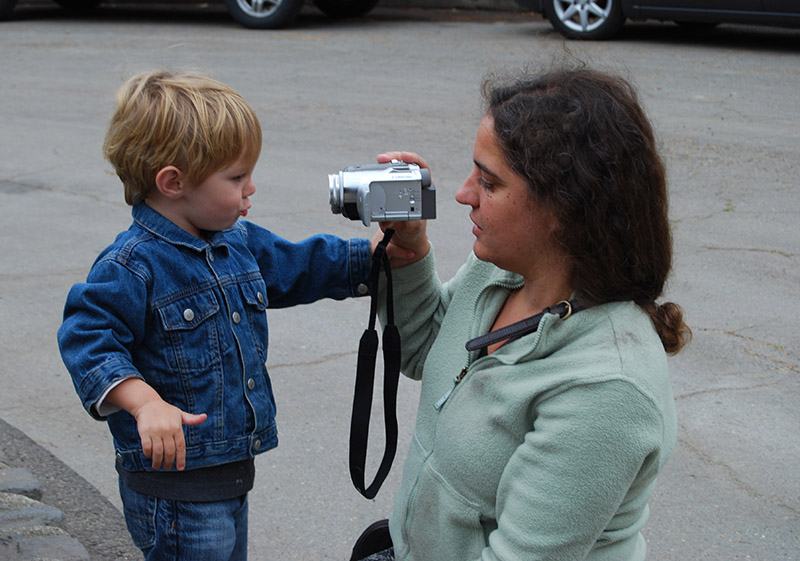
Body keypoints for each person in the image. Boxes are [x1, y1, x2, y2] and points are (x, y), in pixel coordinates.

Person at [362, 66, 691, 561]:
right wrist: (409, 254)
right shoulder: (504, 269)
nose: (461, 193)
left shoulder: (606, 391)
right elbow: (427, 351)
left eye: (489, 183)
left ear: (563, 206)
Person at [57, 70, 372, 561]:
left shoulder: (234, 241)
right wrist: (143, 402)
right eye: (236, 177)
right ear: (173, 182)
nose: (251, 189)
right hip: (174, 491)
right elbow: (86, 336)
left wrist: (373, 258)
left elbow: (299, 265)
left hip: (227, 474)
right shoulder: (133, 265)